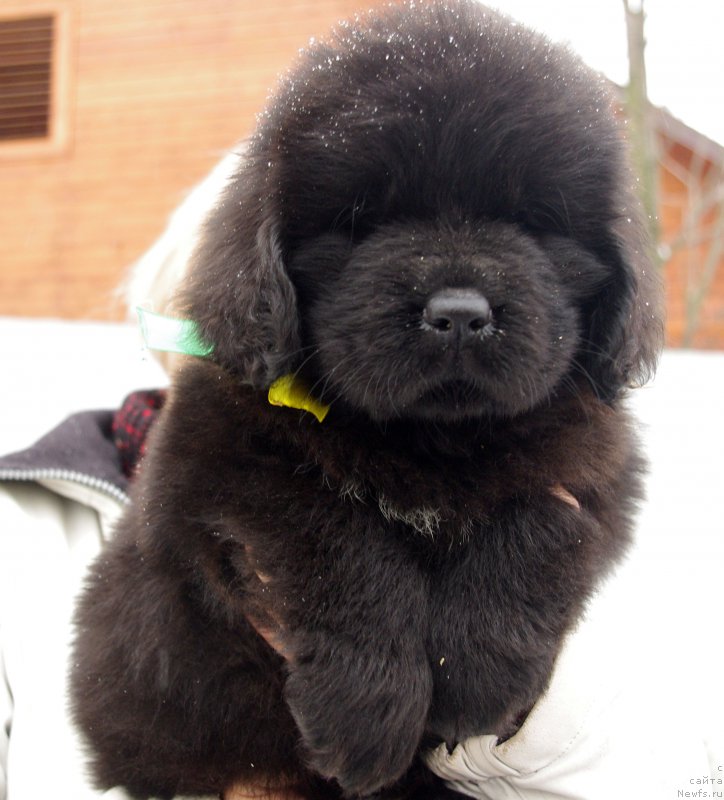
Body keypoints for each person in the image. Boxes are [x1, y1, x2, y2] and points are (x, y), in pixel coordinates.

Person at [0, 151, 719, 800]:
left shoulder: (545, 472)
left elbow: (670, 766)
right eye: (211, 339)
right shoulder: (25, 529)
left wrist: (516, 699)